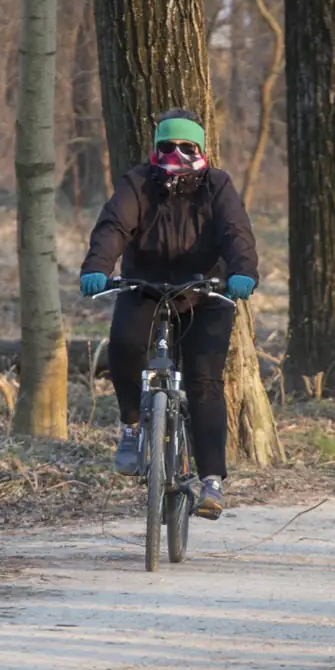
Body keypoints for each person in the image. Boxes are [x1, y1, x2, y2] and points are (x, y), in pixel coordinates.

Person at [79, 110, 258, 521]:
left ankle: (211, 479)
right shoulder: (139, 183)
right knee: (124, 346)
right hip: (145, 287)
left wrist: (243, 273)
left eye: (186, 147)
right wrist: (97, 266)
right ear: (154, 150)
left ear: (202, 150)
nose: (176, 154)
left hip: (205, 292)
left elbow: (237, 233)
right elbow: (113, 226)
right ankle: (131, 426)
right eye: (167, 146)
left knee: (204, 381)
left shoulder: (219, 185)